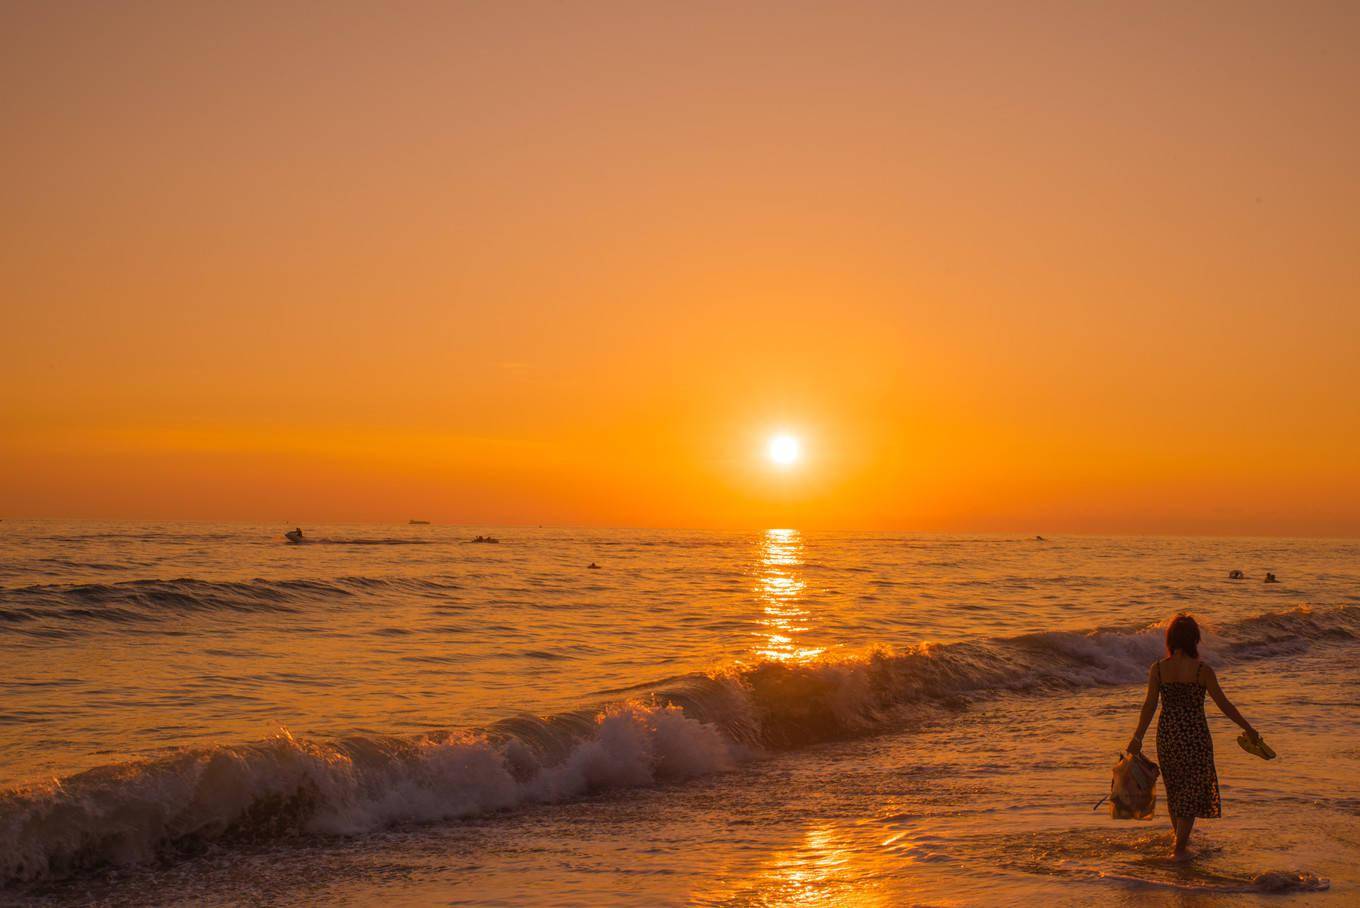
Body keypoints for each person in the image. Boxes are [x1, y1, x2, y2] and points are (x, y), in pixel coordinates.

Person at [1125, 613, 1263, 859]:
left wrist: (1137, 739)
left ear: (1171, 639)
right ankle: (1179, 848)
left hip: (1167, 735)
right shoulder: (1202, 671)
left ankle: (1179, 841)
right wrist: (1248, 728)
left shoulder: (1158, 669)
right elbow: (1224, 705)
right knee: (1190, 791)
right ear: (1194, 640)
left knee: (1175, 790)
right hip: (1195, 736)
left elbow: (1149, 706)